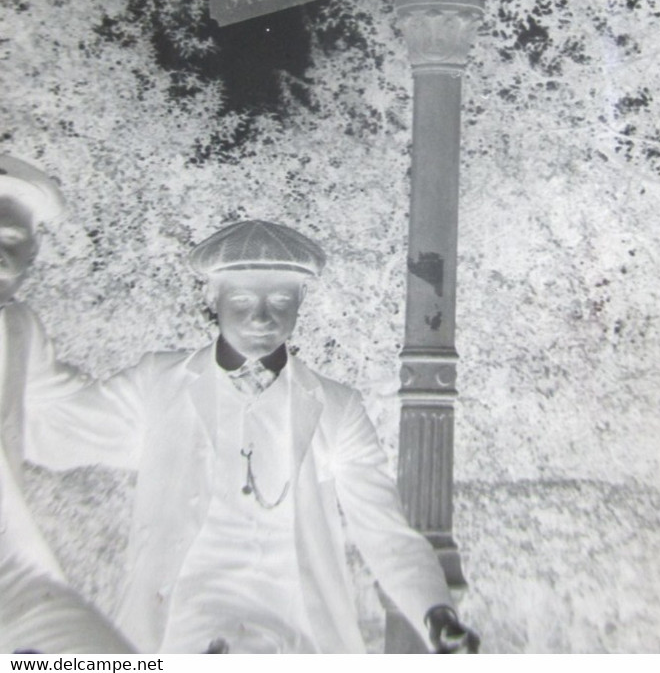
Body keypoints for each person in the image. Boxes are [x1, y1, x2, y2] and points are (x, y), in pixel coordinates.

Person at [25, 218, 479, 654]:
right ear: (212, 297)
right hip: (180, 635)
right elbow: (55, 433)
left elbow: (385, 533)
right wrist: (18, 336)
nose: (262, 317)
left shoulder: (337, 408)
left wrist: (436, 611)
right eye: (242, 301)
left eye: (280, 301)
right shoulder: (158, 385)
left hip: (297, 638)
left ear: (301, 299)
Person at [0, 154, 133, 654]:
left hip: (13, 579)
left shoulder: (17, 328)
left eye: (11, 241)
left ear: (33, 253)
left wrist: (201, 429)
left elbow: (76, 416)